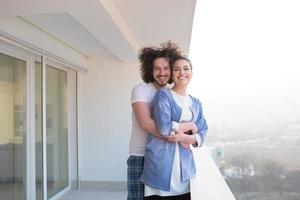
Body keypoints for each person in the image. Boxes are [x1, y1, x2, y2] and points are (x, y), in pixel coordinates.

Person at [127, 42, 198, 200]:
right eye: (157, 68)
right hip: (140, 155)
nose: (162, 73)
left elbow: (193, 127)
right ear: (150, 71)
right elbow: (146, 123)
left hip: (162, 156)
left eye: (166, 68)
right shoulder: (142, 90)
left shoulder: (171, 94)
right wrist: (182, 133)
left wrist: (185, 135)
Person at [140, 55, 208, 200]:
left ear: (192, 72)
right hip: (160, 170)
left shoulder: (196, 103)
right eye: (177, 69)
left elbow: (203, 132)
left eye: (186, 68)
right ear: (172, 74)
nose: (182, 73)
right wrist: (189, 125)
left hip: (184, 174)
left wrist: (184, 137)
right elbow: (164, 128)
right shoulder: (163, 95)